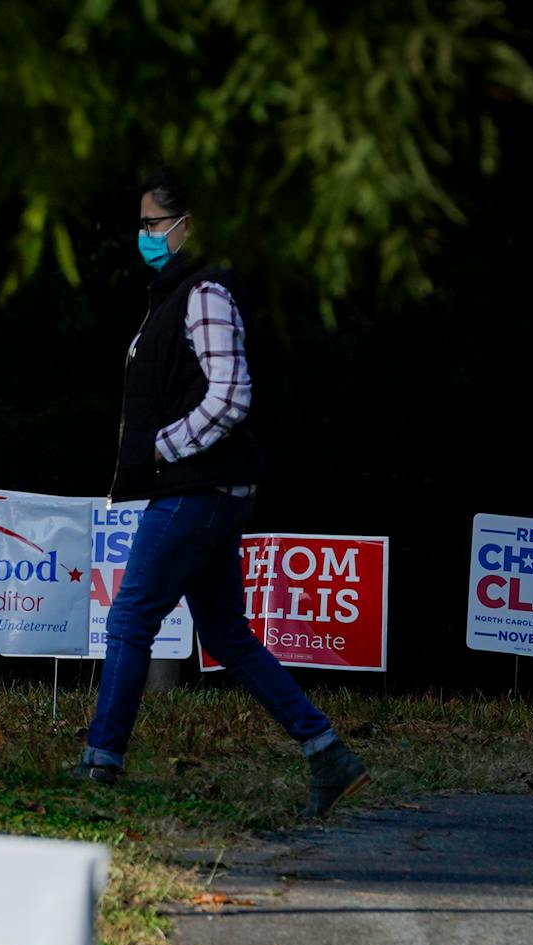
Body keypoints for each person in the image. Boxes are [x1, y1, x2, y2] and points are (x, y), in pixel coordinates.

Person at [77, 168, 370, 821]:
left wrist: (164, 447)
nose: (145, 235)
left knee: (129, 621)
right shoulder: (176, 292)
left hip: (196, 488)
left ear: (190, 226)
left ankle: (101, 762)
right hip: (205, 488)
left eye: (155, 224)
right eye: (144, 224)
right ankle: (327, 753)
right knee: (227, 634)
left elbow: (232, 394)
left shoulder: (204, 292)